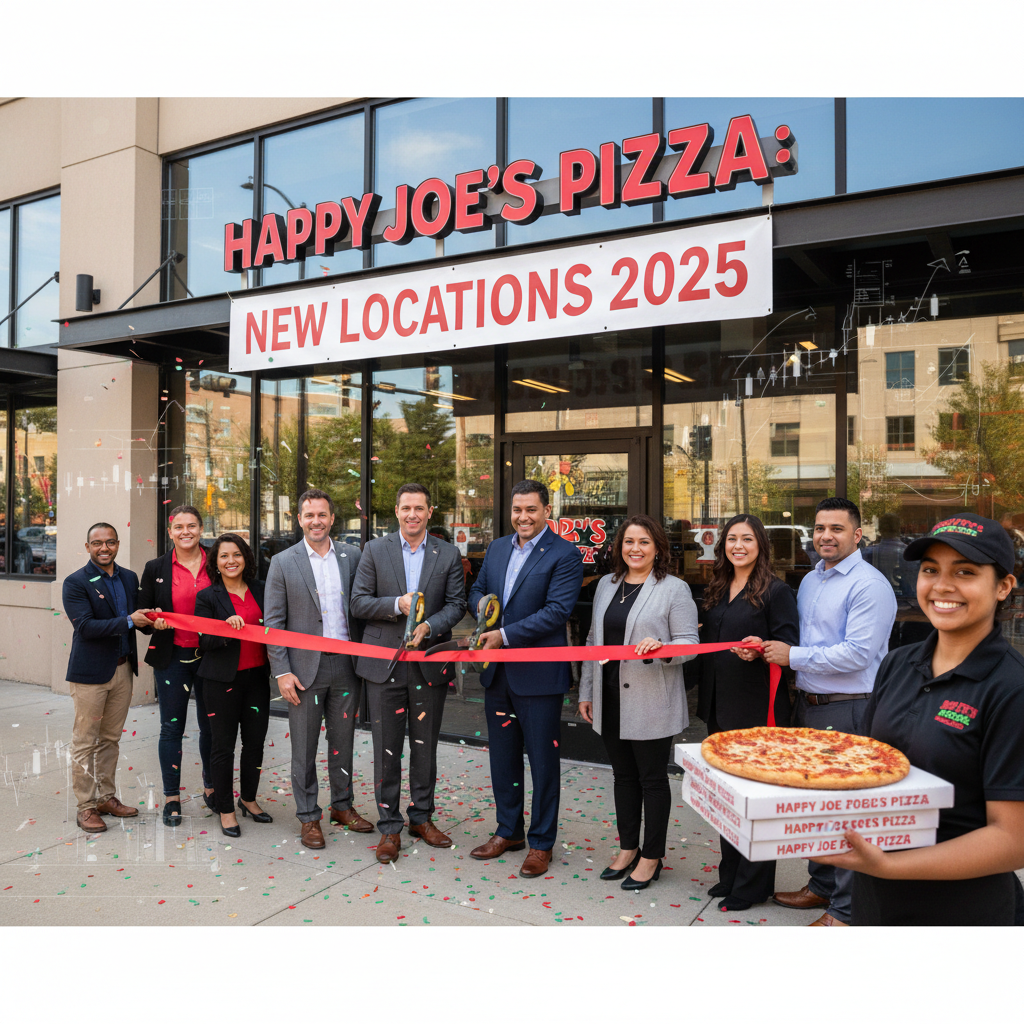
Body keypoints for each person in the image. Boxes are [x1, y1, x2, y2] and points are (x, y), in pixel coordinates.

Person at [812, 513, 1024, 926]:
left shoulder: (1011, 688)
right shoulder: (897, 663)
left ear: (1003, 586)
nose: (942, 586)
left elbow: (1013, 840)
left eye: (965, 572)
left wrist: (891, 866)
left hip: (963, 910)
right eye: (931, 570)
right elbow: (869, 771)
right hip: (876, 898)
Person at [762, 497, 897, 926]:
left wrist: (793, 657)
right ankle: (821, 887)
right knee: (818, 808)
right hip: (810, 706)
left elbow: (858, 654)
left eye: (836, 529)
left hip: (851, 708)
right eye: (820, 528)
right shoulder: (811, 580)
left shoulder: (869, 585)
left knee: (848, 813)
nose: (826, 536)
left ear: (857, 535)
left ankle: (845, 911)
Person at [467, 480, 584, 878]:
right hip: (497, 676)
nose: (523, 517)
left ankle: (541, 843)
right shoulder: (498, 547)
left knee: (544, 763)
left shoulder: (565, 554)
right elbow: (478, 589)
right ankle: (508, 831)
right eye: (517, 510)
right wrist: (482, 606)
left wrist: (504, 635)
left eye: (531, 510)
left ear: (547, 511)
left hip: (538, 678)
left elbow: (557, 611)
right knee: (503, 760)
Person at [578, 514, 699, 891]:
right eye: (629, 542)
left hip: (651, 700)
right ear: (619, 547)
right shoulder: (605, 586)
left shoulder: (674, 589)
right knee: (622, 777)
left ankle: (652, 855)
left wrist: (664, 651)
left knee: (651, 780)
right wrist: (585, 691)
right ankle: (628, 847)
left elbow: (690, 644)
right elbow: (592, 642)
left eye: (644, 542)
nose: (635, 549)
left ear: (658, 548)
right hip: (608, 696)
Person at [350, 483, 467, 863]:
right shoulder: (374, 549)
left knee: (424, 747)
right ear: (396, 512)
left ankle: (421, 817)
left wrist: (430, 626)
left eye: (420, 508)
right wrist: (396, 605)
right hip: (383, 666)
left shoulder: (447, 553)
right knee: (386, 749)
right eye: (406, 508)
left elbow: (456, 605)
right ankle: (389, 827)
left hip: (428, 663)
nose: (412, 514)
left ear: (430, 512)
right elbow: (358, 602)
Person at [696, 513, 801, 911]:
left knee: (754, 800)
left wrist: (761, 646)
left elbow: (789, 645)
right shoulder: (719, 587)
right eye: (731, 539)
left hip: (759, 708)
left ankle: (753, 885)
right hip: (718, 706)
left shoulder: (776, 592)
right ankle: (731, 875)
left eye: (747, 539)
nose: (738, 546)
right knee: (727, 797)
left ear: (761, 546)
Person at [264, 488, 373, 849]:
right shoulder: (283, 562)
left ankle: (342, 806)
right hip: (302, 670)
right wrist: (281, 670)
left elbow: (363, 606)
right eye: (309, 515)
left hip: (346, 666)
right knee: (304, 748)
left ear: (331, 519)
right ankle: (308, 816)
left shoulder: (352, 556)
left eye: (322, 515)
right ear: (299, 519)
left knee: (342, 743)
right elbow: (274, 622)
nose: (316, 521)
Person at [62, 523, 154, 833]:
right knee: (86, 742)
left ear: (117, 544)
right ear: (87, 547)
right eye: (97, 543)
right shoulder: (75, 582)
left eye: (110, 542)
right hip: (90, 674)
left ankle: (106, 797)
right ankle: (86, 807)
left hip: (123, 670)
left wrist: (153, 621)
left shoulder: (128, 577)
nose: (105, 548)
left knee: (110, 740)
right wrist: (131, 620)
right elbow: (86, 627)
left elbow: (138, 620)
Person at [140, 504, 215, 825]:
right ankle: (172, 797)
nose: (186, 532)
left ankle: (213, 789)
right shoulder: (155, 567)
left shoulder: (218, 561)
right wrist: (151, 622)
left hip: (213, 658)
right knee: (172, 728)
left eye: (192, 526)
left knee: (212, 728)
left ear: (201, 529)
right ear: (170, 532)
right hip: (172, 659)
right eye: (179, 527)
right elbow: (141, 614)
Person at [194, 534, 271, 838]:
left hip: (256, 679)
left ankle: (248, 799)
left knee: (254, 743)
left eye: (236, 555)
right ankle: (225, 809)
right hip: (220, 681)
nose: (230, 561)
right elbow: (204, 639)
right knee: (223, 747)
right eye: (223, 556)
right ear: (215, 562)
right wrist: (228, 629)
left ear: (246, 558)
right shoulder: (208, 596)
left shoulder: (261, 590)